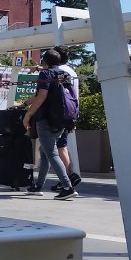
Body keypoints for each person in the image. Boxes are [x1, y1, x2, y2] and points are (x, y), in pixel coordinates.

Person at [21, 49, 77, 200]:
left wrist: (28, 114)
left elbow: (41, 96)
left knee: (51, 153)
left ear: (44, 62)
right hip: (62, 119)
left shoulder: (45, 74)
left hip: (45, 118)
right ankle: (38, 186)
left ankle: (67, 186)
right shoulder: (64, 74)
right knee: (45, 152)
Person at [50, 45, 82, 192]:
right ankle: (67, 176)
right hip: (71, 111)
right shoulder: (71, 71)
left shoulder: (61, 72)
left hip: (61, 113)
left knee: (60, 146)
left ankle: (69, 177)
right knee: (62, 145)